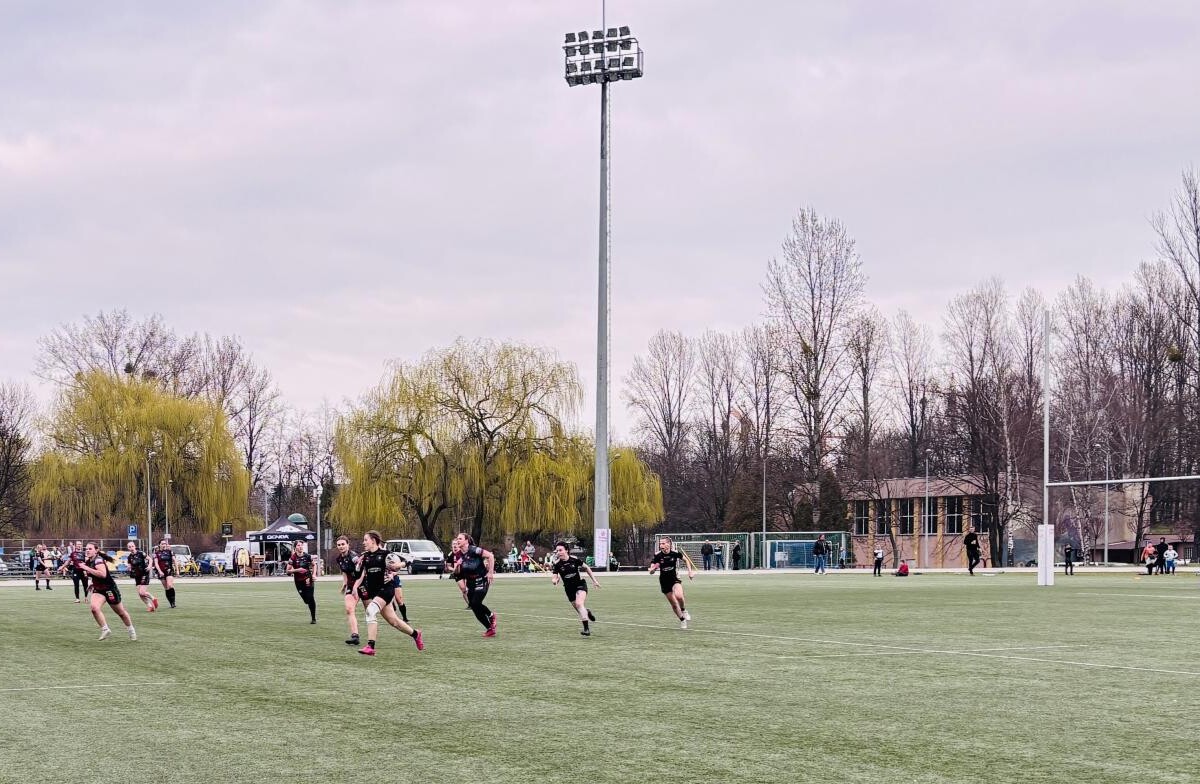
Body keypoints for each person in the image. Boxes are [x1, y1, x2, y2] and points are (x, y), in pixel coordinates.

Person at [352, 531, 423, 656]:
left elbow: (406, 561)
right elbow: (357, 575)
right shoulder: (365, 557)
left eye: (365, 540)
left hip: (386, 589)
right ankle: (416, 634)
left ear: (373, 540)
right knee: (394, 621)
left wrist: (397, 566)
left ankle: (370, 646)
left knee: (370, 611)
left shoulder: (386, 554)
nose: (363, 542)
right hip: (375, 592)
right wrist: (357, 566)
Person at [78, 542, 136, 641]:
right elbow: (95, 575)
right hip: (99, 589)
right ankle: (105, 629)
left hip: (109, 589)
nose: (87, 550)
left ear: (96, 550)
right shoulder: (89, 561)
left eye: (90, 549)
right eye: (86, 549)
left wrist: (86, 568)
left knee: (121, 612)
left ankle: (131, 630)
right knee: (94, 608)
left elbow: (103, 574)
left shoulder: (98, 560)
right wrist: (92, 583)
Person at [550, 541, 601, 636]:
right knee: (579, 609)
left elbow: (587, 568)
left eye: (560, 550)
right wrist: (554, 581)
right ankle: (587, 612)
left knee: (579, 604)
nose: (558, 552)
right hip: (569, 589)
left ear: (566, 550)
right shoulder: (557, 564)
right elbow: (554, 577)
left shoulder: (574, 559)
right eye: (557, 551)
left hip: (580, 585)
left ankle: (586, 630)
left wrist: (595, 581)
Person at [451, 532, 498, 636]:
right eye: (457, 539)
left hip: (482, 580)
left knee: (476, 602)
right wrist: (458, 566)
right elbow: (457, 573)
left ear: (466, 541)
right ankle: (490, 629)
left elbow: (490, 556)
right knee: (473, 605)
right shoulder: (459, 554)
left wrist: (490, 572)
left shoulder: (474, 550)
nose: (458, 541)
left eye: (460, 539)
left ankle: (491, 615)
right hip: (471, 583)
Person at [648, 537, 695, 629]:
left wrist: (690, 572)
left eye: (663, 543)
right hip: (664, 581)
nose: (661, 545)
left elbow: (686, 560)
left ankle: (684, 610)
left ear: (668, 544)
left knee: (679, 596)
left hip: (674, 578)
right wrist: (652, 570)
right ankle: (682, 620)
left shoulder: (675, 553)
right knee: (673, 604)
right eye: (660, 544)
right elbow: (651, 569)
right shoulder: (657, 555)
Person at [335, 536, 363, 645]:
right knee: (349, 609)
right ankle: (355, 636)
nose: (341, 546)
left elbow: (363, 572)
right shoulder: (339, 559)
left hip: (363, 585)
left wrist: (357, 586)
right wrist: (345, 584)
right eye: (339, 545)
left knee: (370, 611)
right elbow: (345, 572)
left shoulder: (354, 557)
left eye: (343, 544)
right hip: (351, 586)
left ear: (348, 544)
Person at [285, 540, 317, 624]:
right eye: (298, 545)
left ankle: (313, 618)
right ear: (295, 547)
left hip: (308, 579)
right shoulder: (293, 558)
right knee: (306, 600)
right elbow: (287, 571)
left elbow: (314, 565)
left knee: (310, 598)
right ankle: (308, 603)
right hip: (298, 582)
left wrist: (313, 575)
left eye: (301, 545)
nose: (300, 547)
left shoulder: (307, 556)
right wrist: (297, 570)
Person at [126, 540, 158, 611]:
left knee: (142, 592)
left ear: (134, 546)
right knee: (140, 594)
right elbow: (129, 565)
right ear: (128, 548)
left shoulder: (141, 553)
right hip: (137, 576)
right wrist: (129, 567)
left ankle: (153, 599)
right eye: (129, 547)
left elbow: (150, 559)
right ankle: (150, 606)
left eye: (132, 546)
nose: (131, 548)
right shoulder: (129, 557)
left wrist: (149, 566)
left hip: (144, 574)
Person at [153, 539, 178, 608]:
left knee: (169, 585)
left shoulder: (170, 552)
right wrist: (160, 571)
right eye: (162, 544)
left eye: (165, 544)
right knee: (166, 588)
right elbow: (156, 563)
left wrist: (177, 570)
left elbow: (175, 561)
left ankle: (173, 602)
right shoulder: (156, 553)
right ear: (159, 545)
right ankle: (171, 603)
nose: (164, 545)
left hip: (169, 570)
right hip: (161, 572)